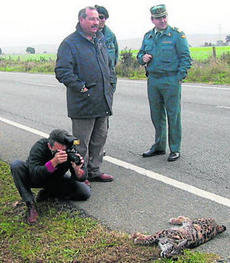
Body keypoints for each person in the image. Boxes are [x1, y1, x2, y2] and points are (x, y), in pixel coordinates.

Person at [55, 7, 116, 182]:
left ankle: (95, 171)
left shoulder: (100, 40)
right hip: (83, 103)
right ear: (81, 20)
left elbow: (109, 66)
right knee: (81, 144)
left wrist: (110, 86)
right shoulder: (70, 43)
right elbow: (62, 71)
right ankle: (80, 176)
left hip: (102, 101)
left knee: (99, 140)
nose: (96, 22)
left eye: (97, 19)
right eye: (91, 19)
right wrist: (82, 88)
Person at [137, 4, 192, 162]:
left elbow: (185, 57)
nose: (162, 20)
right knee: (156, 114)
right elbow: (140, 54)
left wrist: (179, 77)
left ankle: (175, 149)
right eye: (159, 18)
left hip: (170, 79)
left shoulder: (176, 34)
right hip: (153, 79)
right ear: (152, 19)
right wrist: (143, 58)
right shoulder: (148, 36)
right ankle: (159, 146)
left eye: (164, 17)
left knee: (173, 115)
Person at [10, 129, 91, 224]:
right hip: (36, 178)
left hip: (56, 179)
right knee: (16, 165)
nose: (62, 153)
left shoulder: (71, 150)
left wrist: (78, 170)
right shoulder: (40, 146)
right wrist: (53, 162)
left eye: (64, 150)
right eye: (59, 151)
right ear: (50, 146)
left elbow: (82, 176)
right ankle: (30, 205)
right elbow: (34, 174)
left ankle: (49, 192)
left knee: (84, 192)